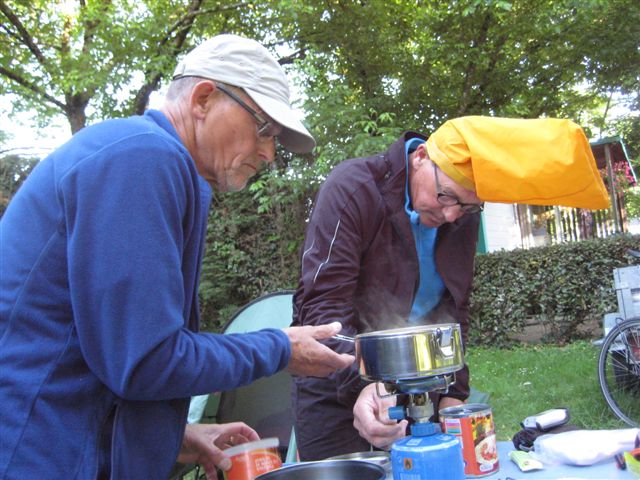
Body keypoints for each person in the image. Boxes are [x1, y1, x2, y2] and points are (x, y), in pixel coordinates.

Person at [0, 34, 354, 479]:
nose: (268, 153)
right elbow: (147, 360)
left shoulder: (156, 162)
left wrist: (178, 435)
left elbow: (103, 357)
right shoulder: (141, 157)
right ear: (204, 98)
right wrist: (279, 347)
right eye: (263, 128)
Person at [291, 116, 610, 461]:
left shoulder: (460, 212)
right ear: (421, 157)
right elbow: (323, 306)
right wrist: (363, 386)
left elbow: (454, 306)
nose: (451, 215)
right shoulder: (354, 187)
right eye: (446, 196)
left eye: (468, 206)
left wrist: (453, 394)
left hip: (419, 378)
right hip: (334, 374)